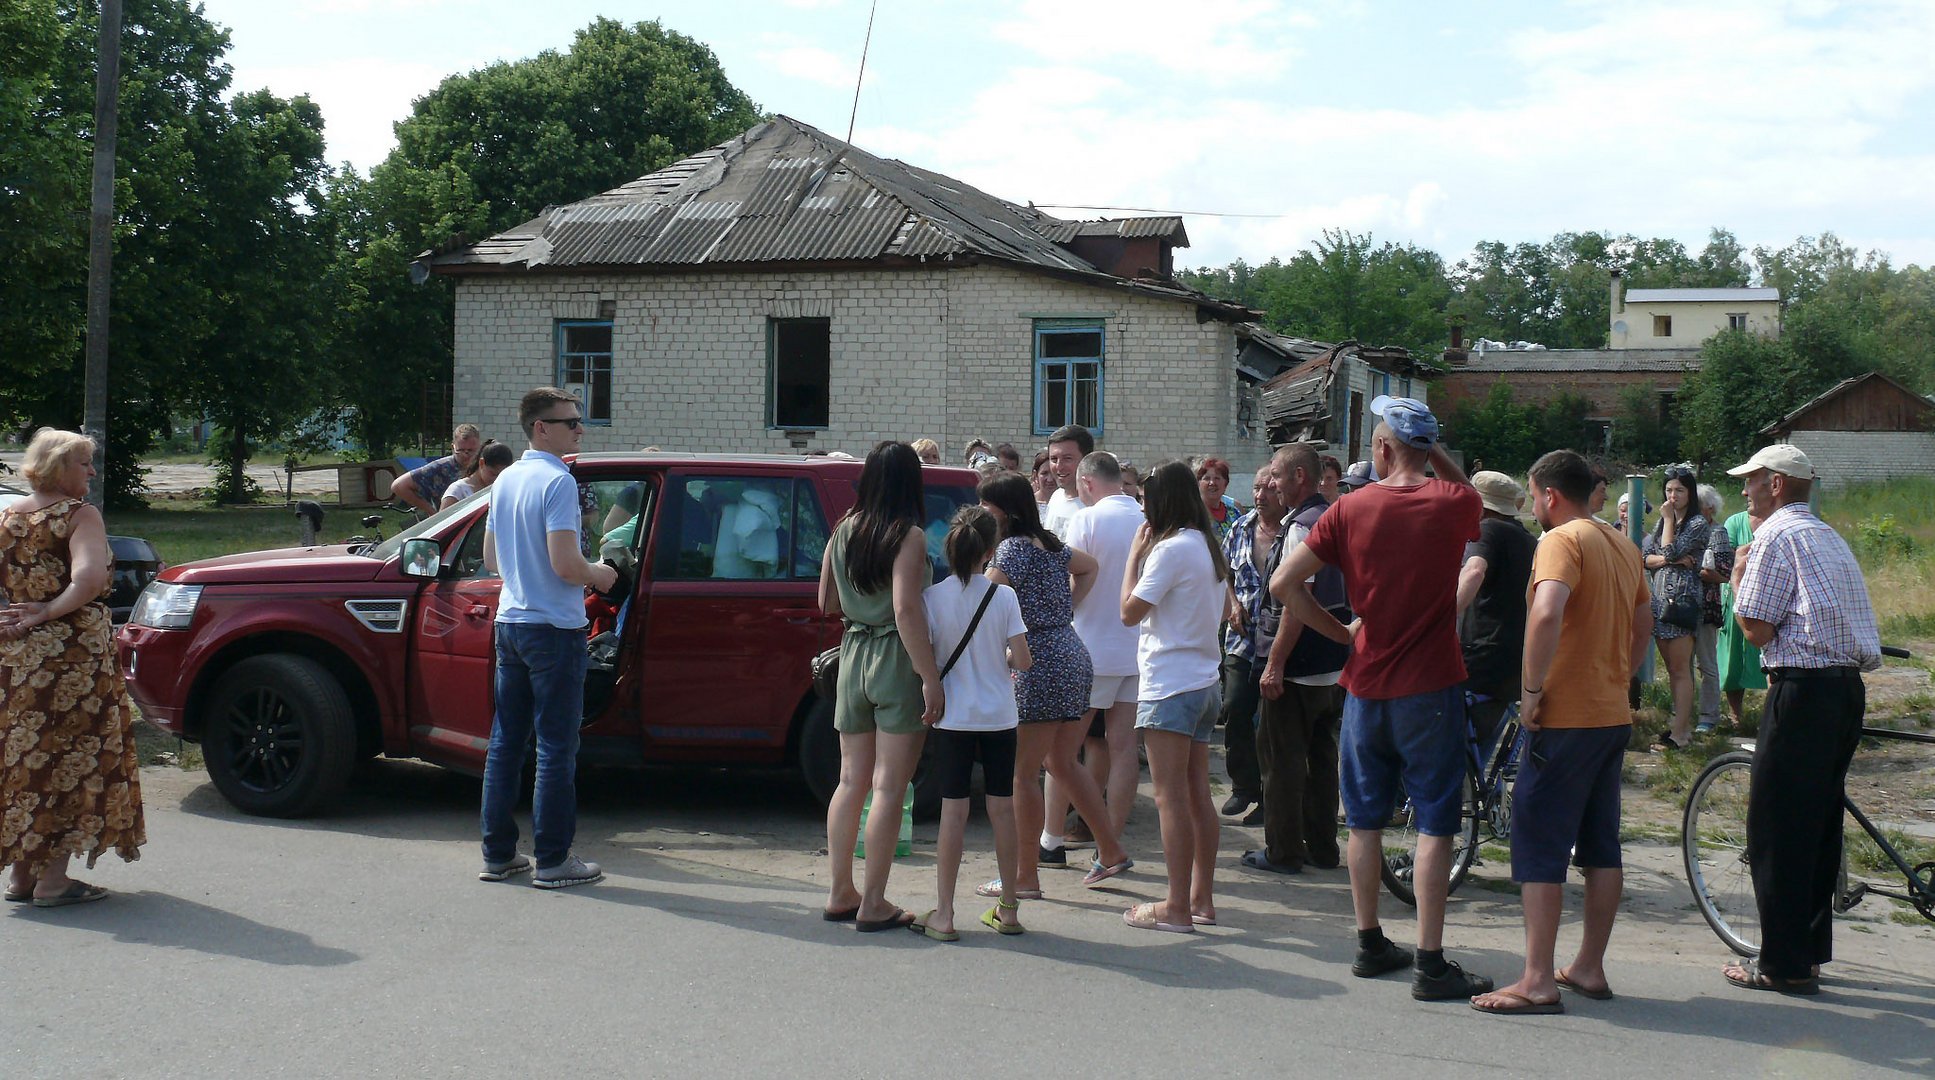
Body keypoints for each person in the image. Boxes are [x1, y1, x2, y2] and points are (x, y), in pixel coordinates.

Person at [1273, 395, 1494, 1001]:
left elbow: (1282, 584)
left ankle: (1370, 941)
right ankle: (1429, 960)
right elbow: (1466, 491)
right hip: (1431, 687)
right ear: (1424, 448)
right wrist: (1430, 451)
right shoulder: (1455, 502)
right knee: (1434, 825)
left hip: (1365, 685)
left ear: (1380, 448)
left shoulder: (1350, 507)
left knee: (1364, 821)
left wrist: (1339, 632)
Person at [1469, 450, 1650, 1016]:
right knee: (1601, 843)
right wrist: (1620, 671)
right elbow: (1644, 620)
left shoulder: (1561, 540)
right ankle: (1589, 966)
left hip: (1565, 714)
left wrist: (1530, 690)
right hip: (1610, 711)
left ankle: (1537, 978)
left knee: (1539, 841)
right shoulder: (1622, 543)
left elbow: (1546, 612)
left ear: (1549, 494)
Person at [1723, 444, 1880, 996]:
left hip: (1804, 690)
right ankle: (1807, 952)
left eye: (1751, 482)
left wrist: (1739, 580)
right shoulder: (1826, 535)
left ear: (1777, 485)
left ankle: (1782, 963)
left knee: (1777, 829)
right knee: (1817, 825)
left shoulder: (1772, 537)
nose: (1745, 491)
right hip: (1844, 690)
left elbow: (1758, 629)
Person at [0, 429, 146, 908]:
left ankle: (22, 878)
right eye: (85, 463)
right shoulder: (79, 514)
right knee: (70, 759)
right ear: (60, 467)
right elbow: (87, 579)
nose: (92, 472)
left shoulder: (7, 516)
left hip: (16, 657)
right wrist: (45, 612)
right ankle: (53, 883)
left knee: (27, 758)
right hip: (71, 661)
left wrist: (18, 612)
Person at [479, 389, 618, 890]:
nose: (580, 430)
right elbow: (566, 565)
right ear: (541, 428)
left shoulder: (507, 479)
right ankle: (554, 859)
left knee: (505, 743)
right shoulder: (558, 481)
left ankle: (498, 854)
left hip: (510, 624)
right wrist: (599, 574)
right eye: (572, 423)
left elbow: (493, 559)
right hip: (554, 629)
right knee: (556, 748)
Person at [974, 472, 1133, 899]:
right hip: (1071, 652)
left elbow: (984, 599)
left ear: (1002, 510)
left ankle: (1024, 877)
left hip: (1038, 662)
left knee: (1021, 775)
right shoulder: (1050, 544)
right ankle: (1112, 850)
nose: (980, 515)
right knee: (1062, 761)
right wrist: (1064, 608)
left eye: (985, 507)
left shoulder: (1009, 550)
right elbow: (1089, 567)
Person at [819, 441, 945, 932]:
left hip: (853, 654)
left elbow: (826, 600)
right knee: (890, 786)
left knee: (850, 781)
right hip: (896, 656)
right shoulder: (908, 535)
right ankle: (873, 901)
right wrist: (929, 677)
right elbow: (905, 608)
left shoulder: (843, 530)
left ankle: (839, 891)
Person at [1120, 461, 1230, 933]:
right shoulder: (1208, 544)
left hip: (1171, 683)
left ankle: (1175, 907)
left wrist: (1132, 557)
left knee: (1169, 798)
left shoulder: (1169, 550)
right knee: (1196, 794)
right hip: (1205, 679)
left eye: (1146, 499)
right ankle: (1199, 898)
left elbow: (1128, 612)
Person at [917, 507, 1032, 941]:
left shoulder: (932, 598)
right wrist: (997, 659)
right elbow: (1022, 660)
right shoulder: (1004, 597)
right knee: (1002, 809)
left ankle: (944, 913)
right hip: (999, 715)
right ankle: (1008, 909)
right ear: (989, 551)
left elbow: (928, 656)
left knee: (954, 810)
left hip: (954, 716)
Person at [1041, 451, 1145, 864]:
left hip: (1089, 647)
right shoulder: (1144, 518)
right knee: (1123, 748)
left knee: (1062, 751)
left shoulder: (1086, 519)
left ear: (1086, 483)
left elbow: (1071, 578)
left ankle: (1051, 839)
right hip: (1136, 649)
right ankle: (1109, 843)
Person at [1250, 443, 1349, 875]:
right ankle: (1324, 847)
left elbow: (1296, 599)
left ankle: (1284, 851)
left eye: (1276, 475)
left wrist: (1275, 663)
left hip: (1300, 663)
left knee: (1282, 760)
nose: (1271, 483)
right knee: (1323, 758)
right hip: (1333, 662)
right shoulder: (1333, 518)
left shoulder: (1299, 527)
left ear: (1298, 479)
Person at [1215, 464, 1283, 823]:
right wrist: (1233, 604)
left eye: (1269, 488)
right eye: (1257, 488)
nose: (1261, 495)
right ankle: (1243, 787)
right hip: (1241, 639)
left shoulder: (1292, 532)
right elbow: (1224, 571)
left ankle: (1268, 800)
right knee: (1235, 707)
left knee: (1270, 721)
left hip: (1277, 641)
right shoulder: (1240, 528)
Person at [1456, 471, 1537, 752]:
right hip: (1513, 661)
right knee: (1479, 750)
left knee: (1451, 754)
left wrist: (1438, 618)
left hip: (1480, 660)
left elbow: (1475, 570)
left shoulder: (1487, 530)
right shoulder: (1528, 540)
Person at [1642, 466, 1708, 750]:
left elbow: (1666, 551)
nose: (1673, 496)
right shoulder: (1661, 524)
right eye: (1669, 490)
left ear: (1690, 493)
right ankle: (1676, 726)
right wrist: (1672, 558)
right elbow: (1646, 558)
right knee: (1671, 668)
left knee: (1681, 669)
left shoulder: (1696, 524)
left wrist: (1668, 523)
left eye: (1679, 490)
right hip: (1659, 601)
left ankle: (1681, 733)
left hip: (1681, 602)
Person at [1716, 506, 1766, 725]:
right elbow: (1729, 560)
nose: (1747, 495)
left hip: (1768, 595)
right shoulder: (1735, 522)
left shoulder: (1777, 518)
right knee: (1733, 656)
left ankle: (1772, 714)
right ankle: (1736, 715)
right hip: (1737, 596)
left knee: (1772, 655)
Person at [1693, 484, 1729, 734]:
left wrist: (1690, 566)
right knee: (1681, 664)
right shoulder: (1682, 529)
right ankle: (1682, 711)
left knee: (1706, 663)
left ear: (1709, 509)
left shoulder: (1717, 532)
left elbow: (1722, 574)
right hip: (1679, 606)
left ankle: (1708, 716)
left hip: (1705, 606)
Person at [391, 423, 484, 515]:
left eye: (471, 450)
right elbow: (398, 486)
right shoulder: (440, 468)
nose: (465, 455)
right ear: (453, 447)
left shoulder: (486, 467)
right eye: (460, 450)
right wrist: (430, 511)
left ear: (479, 448)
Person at [1042, 425, 1093, 537]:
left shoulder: (1097, 505)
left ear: (1086, 459)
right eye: (1054, 459)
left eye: (1067, 459)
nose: (1059, 467)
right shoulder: (1056, 497)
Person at [440, 440, 516, 509]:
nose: (497, 480)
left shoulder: (504, 490)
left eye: (502, 476)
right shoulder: (458, 491)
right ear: (481, 463)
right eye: (493, 474)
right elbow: (442, 522)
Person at [1194, 457, 1241, 542]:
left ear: (1225, 484)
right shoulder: (1192, 514)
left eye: (1217, 478)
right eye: (1207, 478)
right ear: (1198, 483)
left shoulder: (1234, 514)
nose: (1212, 483)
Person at [1030, 450, 1056, 515]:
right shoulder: (1027, 503)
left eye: (1053, 473)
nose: (1050, 479)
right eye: (1044, 473)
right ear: (1035, 475)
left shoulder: (1067, 503)